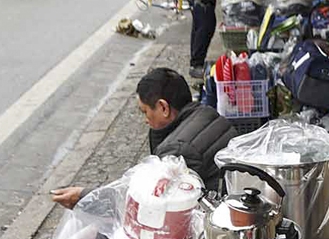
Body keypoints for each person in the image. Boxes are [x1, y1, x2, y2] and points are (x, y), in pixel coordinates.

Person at [51, 67, 236, 208]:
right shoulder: (205, 113)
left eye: (145, 112)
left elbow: (142, 197)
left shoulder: (177, 150)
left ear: (163, 108)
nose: (145, 120)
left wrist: (84, 197)